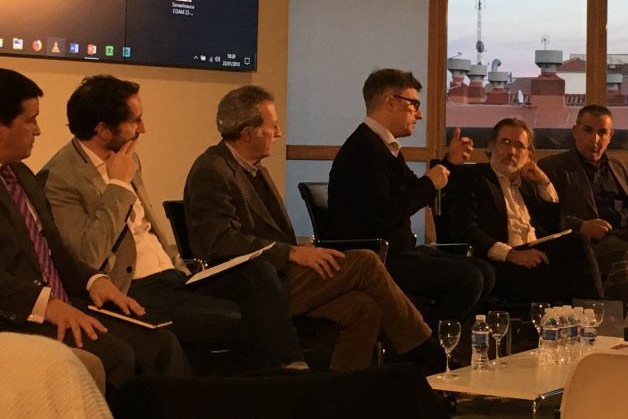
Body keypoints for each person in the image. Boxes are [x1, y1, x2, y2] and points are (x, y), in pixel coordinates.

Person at [39, 75, 307, 371]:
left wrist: (178, 266)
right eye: (135, 121)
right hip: (134, 287)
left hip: (176, 277)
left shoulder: (128, 156)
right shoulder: (60, 178)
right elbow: (86, 255)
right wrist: (117, 185)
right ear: (103, 130)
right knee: (250, 320)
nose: (143, 129)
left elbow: (148, 227)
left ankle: (292, 368)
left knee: (258, 272)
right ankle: (286, 382)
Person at [183, 85, 441, 373]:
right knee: (366, 262)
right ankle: (429, 353)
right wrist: (291, 253)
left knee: (364, 306)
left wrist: (302, 250)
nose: (279, 133)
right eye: (274, 126)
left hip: (278, 275)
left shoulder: (255, 169)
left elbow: (269, 234)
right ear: (248, 133)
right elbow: (220, 242)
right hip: (248, 285)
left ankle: (339, 399)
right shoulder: (212, 170)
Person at [0, 68, 188, 393]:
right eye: (30, 120)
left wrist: (93, 279)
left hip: (65, 297)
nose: (39, 130)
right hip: (20, 312)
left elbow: (55, 251)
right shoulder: (54, 175)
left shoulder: (21, 174)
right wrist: (46, 303)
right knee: (115, 355)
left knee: (160, 343)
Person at [327, 68, 493, 328]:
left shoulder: (383, 147)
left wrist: (450, 164)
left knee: (483, 270)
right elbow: (385, 214)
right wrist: (429, 182)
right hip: (376, 259)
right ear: (389, 102)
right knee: (469, 278)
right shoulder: (363, 151)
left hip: (399, 251)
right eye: (413, 104)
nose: (420, 114)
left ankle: (432, 338)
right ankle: (423, 345)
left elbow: (413, 193)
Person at [538, 105, 628, 331]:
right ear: (575, 131)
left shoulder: (618, 166)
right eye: (588, 130)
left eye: (602, 133)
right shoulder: (554, 167)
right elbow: (543, 216)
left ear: (611, 136)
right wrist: (581, 225)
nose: (595, 139)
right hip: (591, 242)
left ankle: (625, 270)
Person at [444, 118, 603, 303]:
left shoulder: (528, 186)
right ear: (491, 146)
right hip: (502, 264)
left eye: (519, 146)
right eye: (505, 143)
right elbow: (463, 230)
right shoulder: (474, 177)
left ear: (528, 155)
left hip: (536, 257)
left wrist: (545, 184)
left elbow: (555, 230)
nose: (511, 151)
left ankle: (598, 308)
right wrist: (512, 255)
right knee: (576, 276)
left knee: (577, 242)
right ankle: (603, 311)